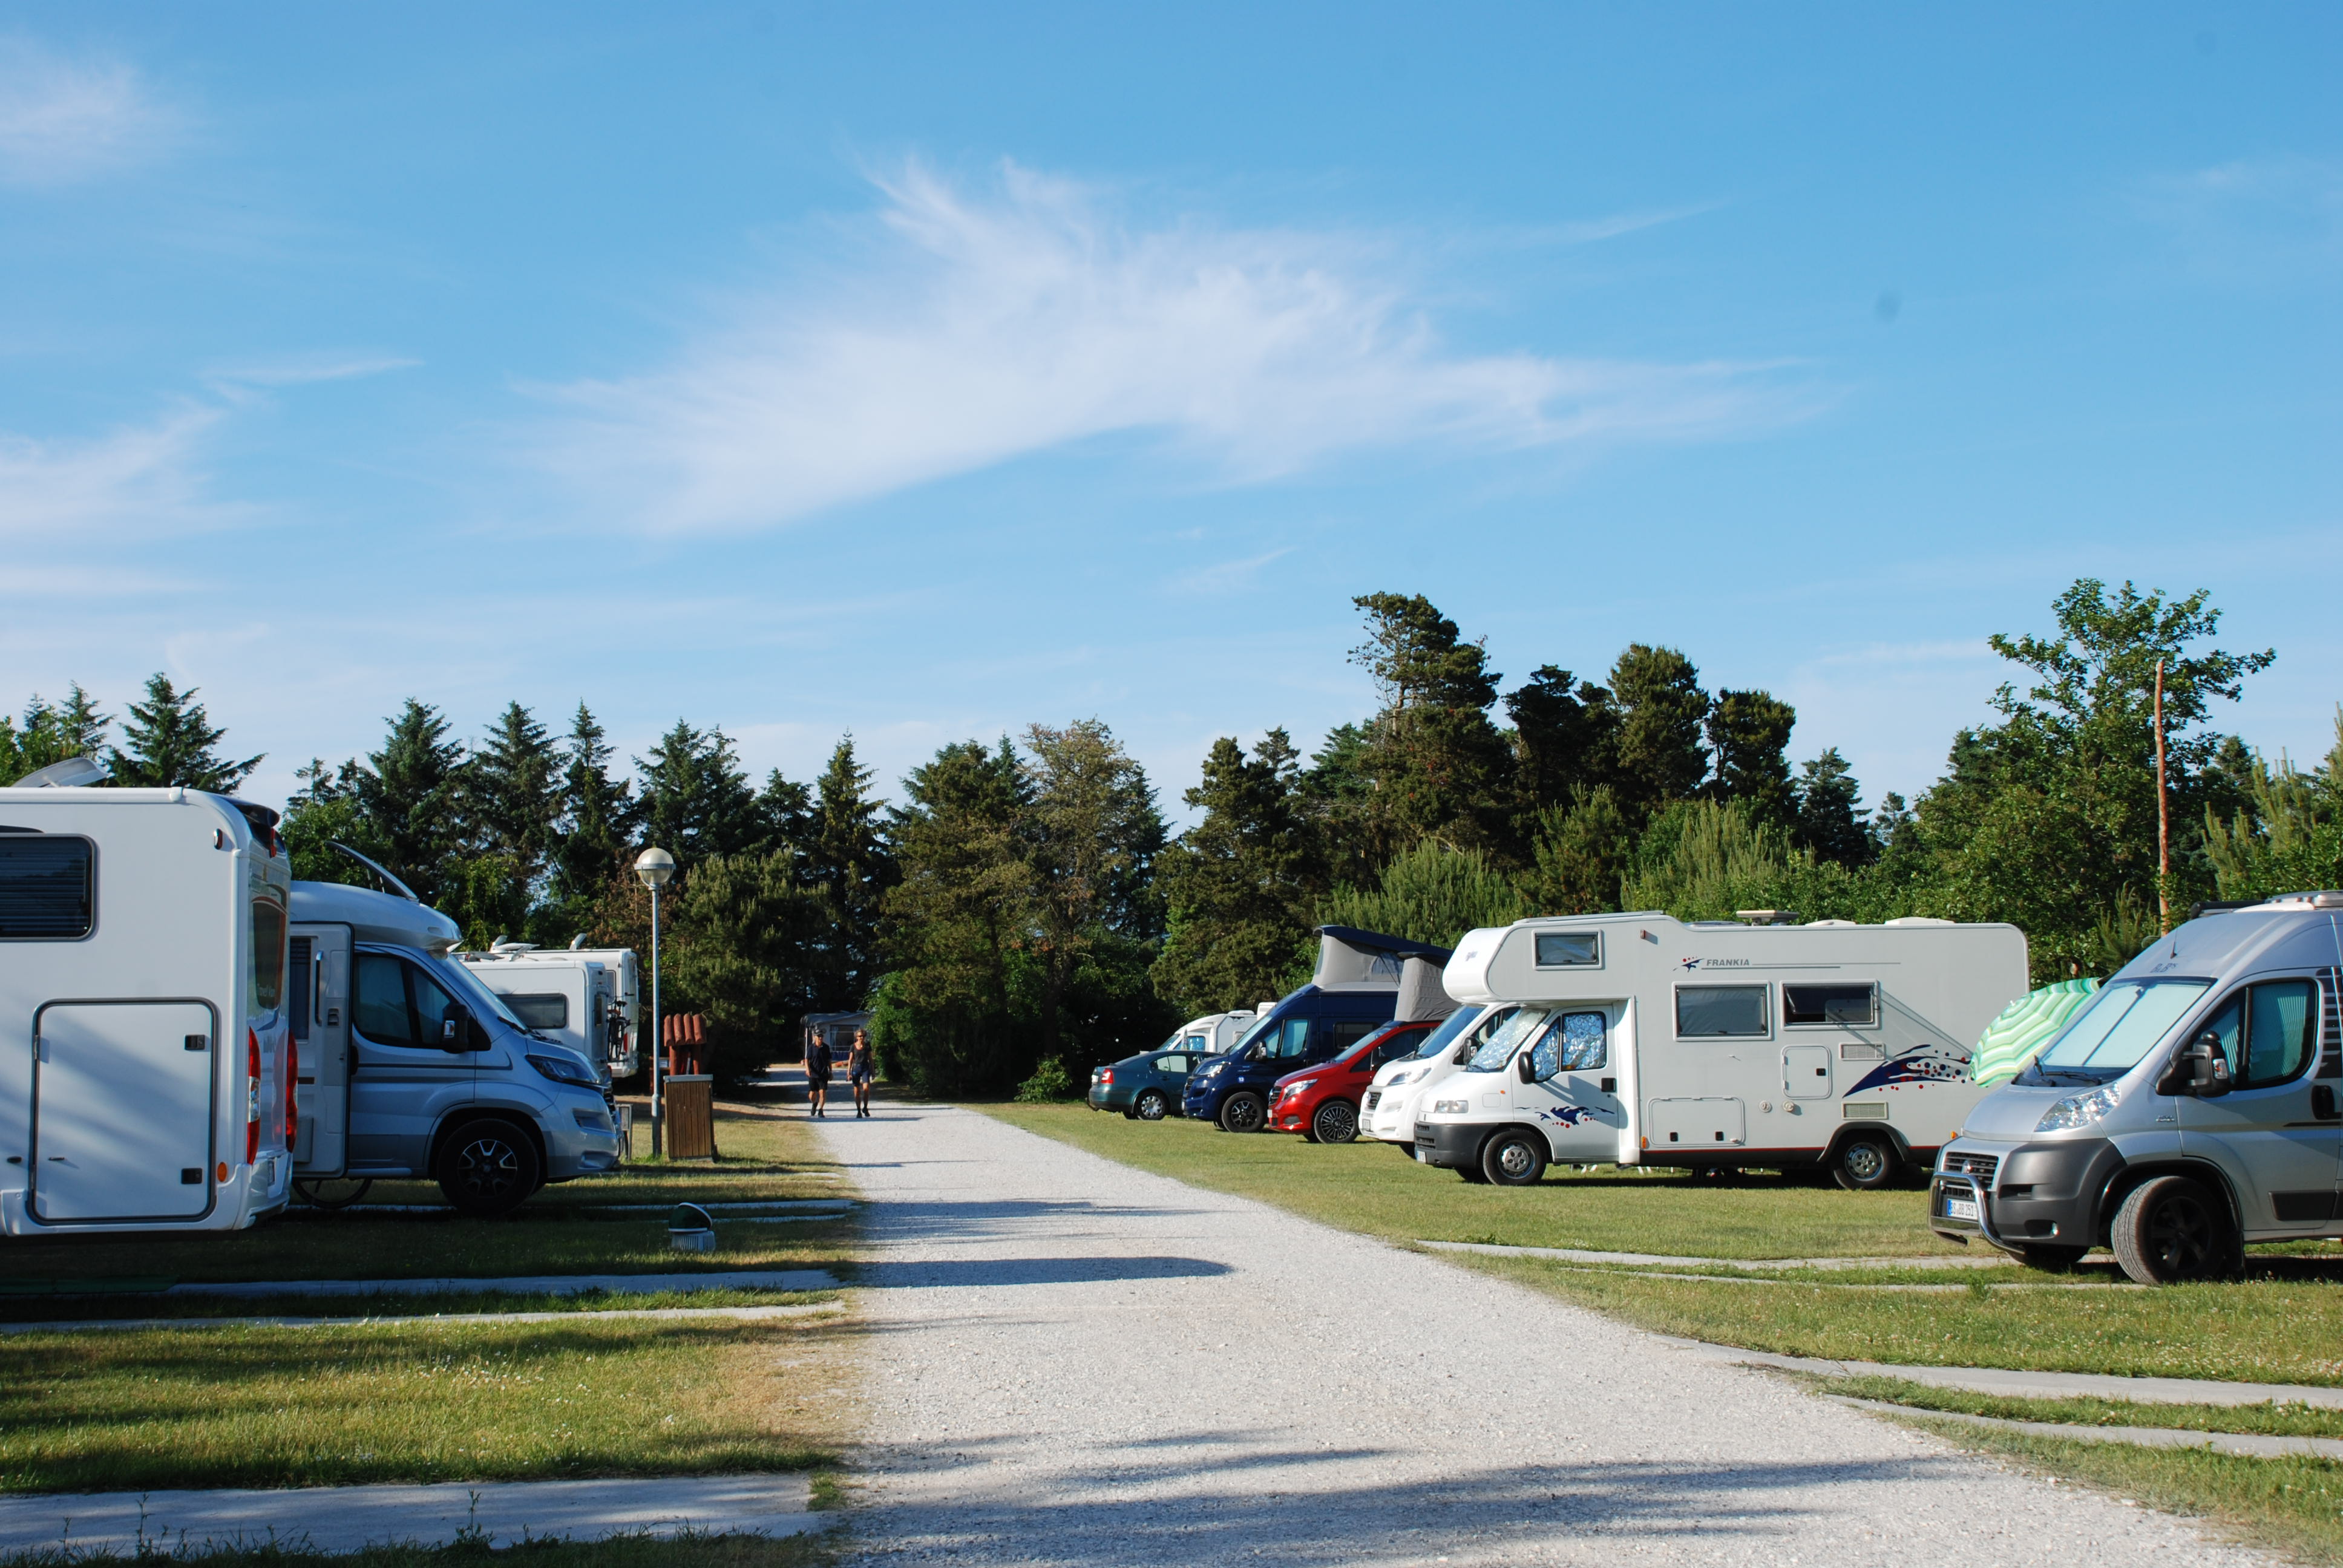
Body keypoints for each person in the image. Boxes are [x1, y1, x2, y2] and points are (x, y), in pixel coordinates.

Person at [805, 1030, 834, 1118]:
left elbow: (829, 1060)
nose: (820, 1038)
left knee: (823, 1092)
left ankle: (821, 1110)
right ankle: (814, 1103)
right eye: (819, 1036)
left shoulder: (826, 1047)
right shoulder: (811, 1047)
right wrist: (807, 1069)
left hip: (823, 1073)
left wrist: (831, 1071)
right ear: (815, 1037)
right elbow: (807, 1059)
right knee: (812, 1094)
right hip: (813, 1073)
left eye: (822, 1036)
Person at [847, 1027, 875, 1118]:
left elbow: (871, 1059)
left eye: (863, 1036)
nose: (861, 1038)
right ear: (856, 1037)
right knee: (857, 1091)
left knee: (866, 1089)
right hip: (856, 1069)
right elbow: (851, 1060)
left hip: (865, 1068)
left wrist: (873, 1071)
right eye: (860, 1036)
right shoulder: (853, 1047)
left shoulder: (868, 1046)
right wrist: (848, 1072)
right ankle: (859, 1110)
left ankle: (865, 1107)